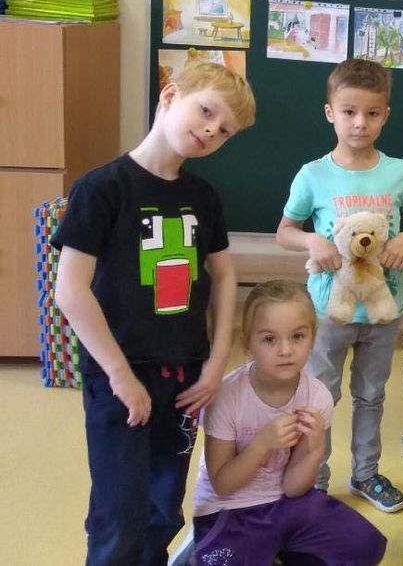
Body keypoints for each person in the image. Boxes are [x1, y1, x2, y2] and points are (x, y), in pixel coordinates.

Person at [52, 61, 256, 565]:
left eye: (225, 131)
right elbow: (71, 291)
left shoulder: (203, 197)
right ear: (169, 95)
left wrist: (215, 364)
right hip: (120, 377)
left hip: (184, 376)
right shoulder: (102, 188)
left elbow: (224, 276)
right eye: (206, 111)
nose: (211, 130)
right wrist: (120, 376)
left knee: (164, 508)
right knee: (119, 511)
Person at [277, 57, 403, 511]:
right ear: (330, 112)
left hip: (383, 309)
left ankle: (365, 474)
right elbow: (285, 231)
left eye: (371, 113)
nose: (360, 123)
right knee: (320, 396)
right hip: (329, 311)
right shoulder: (313, 174)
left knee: (372, 395)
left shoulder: (399, 172)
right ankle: (315, 478)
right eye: (349, 112)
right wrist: (311, 241)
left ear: (386, 115)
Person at [191, 281, 386, 564]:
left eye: (297, 336)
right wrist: (261, 445)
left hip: (286, 502)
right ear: (247, 343)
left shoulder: (317, 396)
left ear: (313, 338)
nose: (285, 350)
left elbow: (294, 488)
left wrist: (314, 450)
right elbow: (222, 484)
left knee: (364, 545)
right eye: (269, 339)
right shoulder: (226, 397)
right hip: (229, 509)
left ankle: (278, 550)